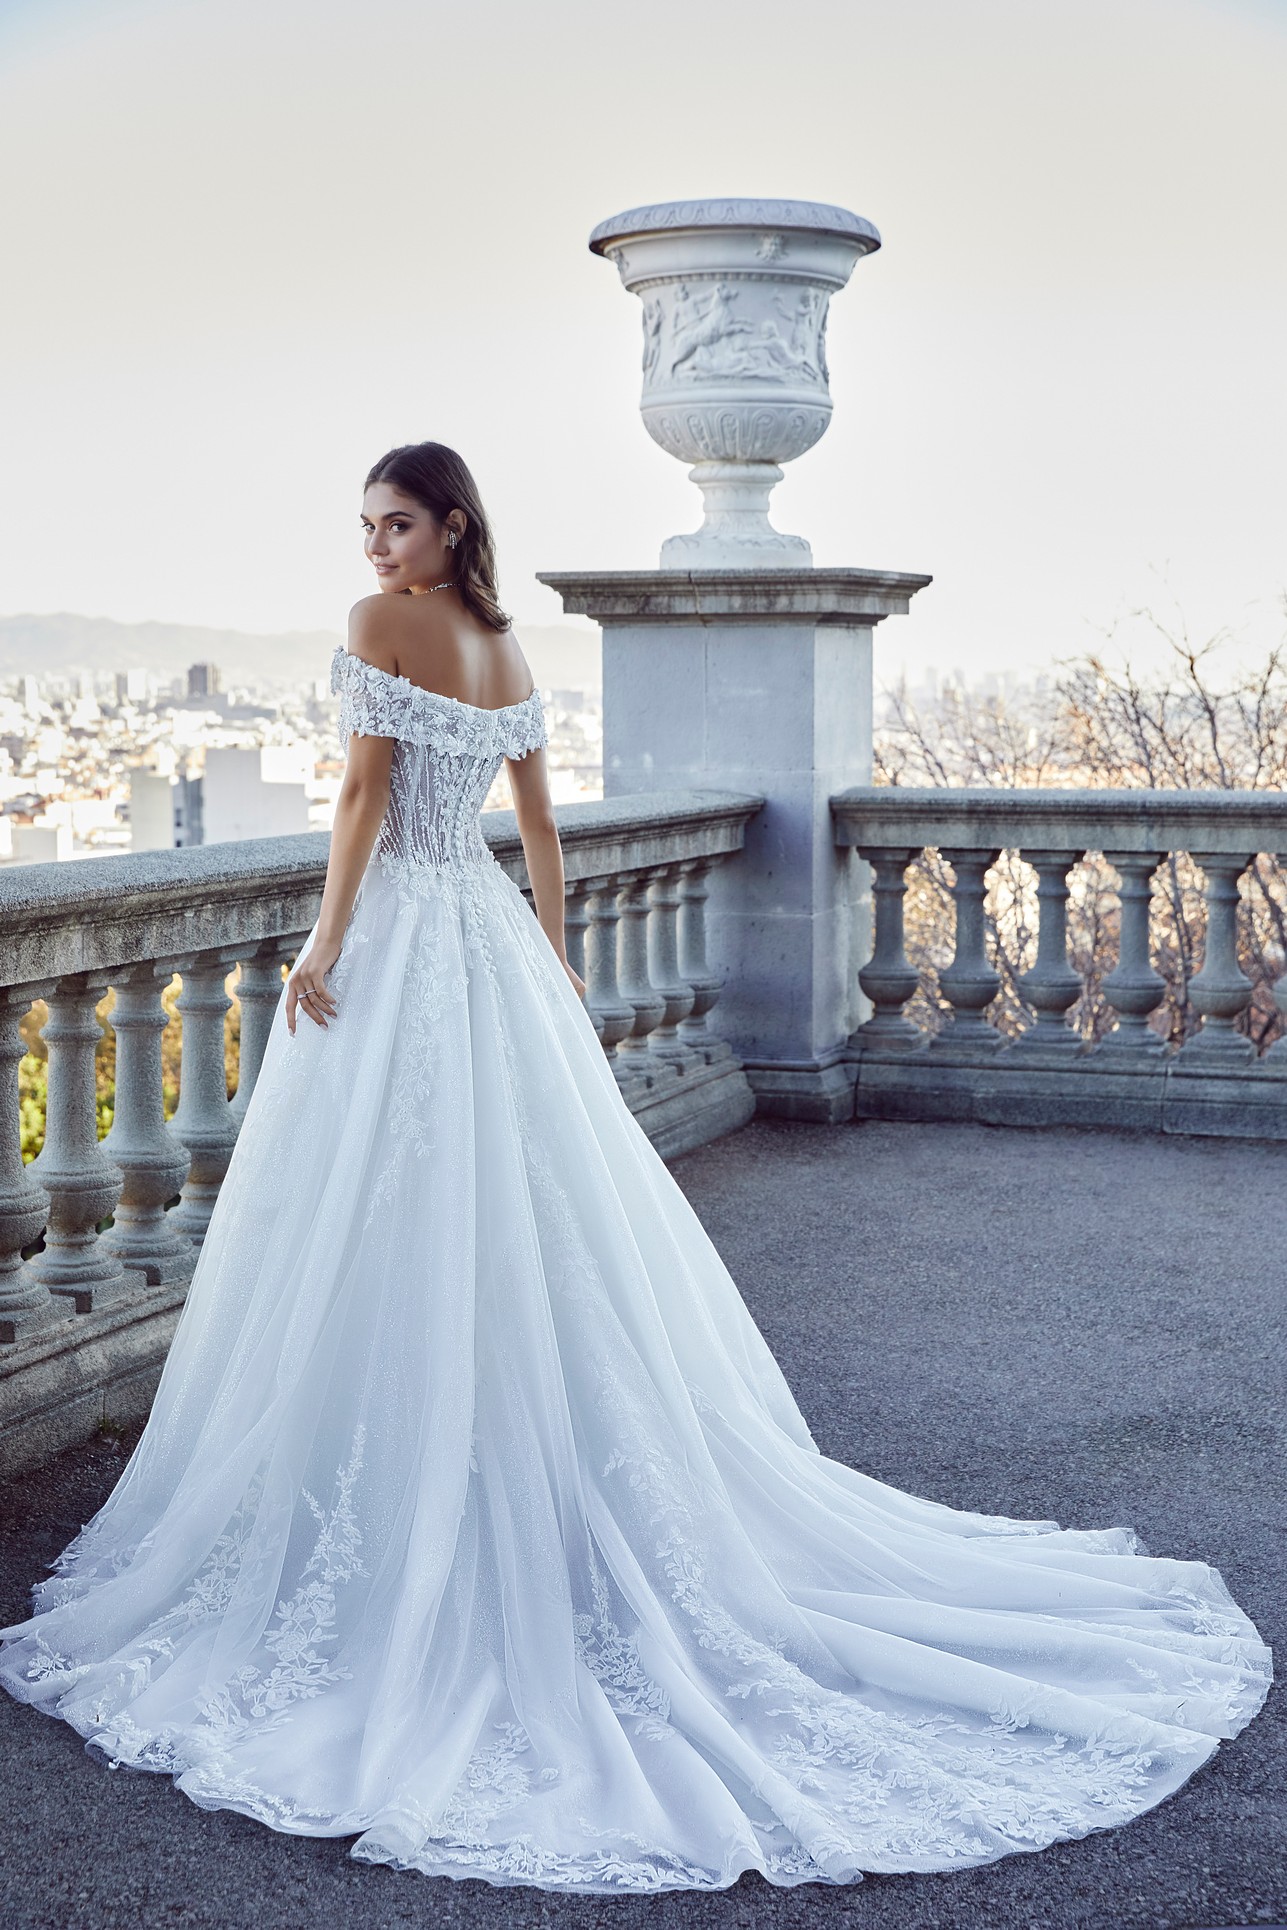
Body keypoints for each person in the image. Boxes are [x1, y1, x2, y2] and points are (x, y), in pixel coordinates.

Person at [0, 442, 1271, 1896]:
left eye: (395, 522)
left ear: (449, 523)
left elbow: (359, 802)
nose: (372, 550)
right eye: (364, 528)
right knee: (518, 1225)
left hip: (405, 936)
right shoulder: (501, 640)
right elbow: (538, 829)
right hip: (481, 935)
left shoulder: (381, 632)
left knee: (377, 1221)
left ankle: (388, 1502)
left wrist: (323, 945)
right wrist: (544, 959)